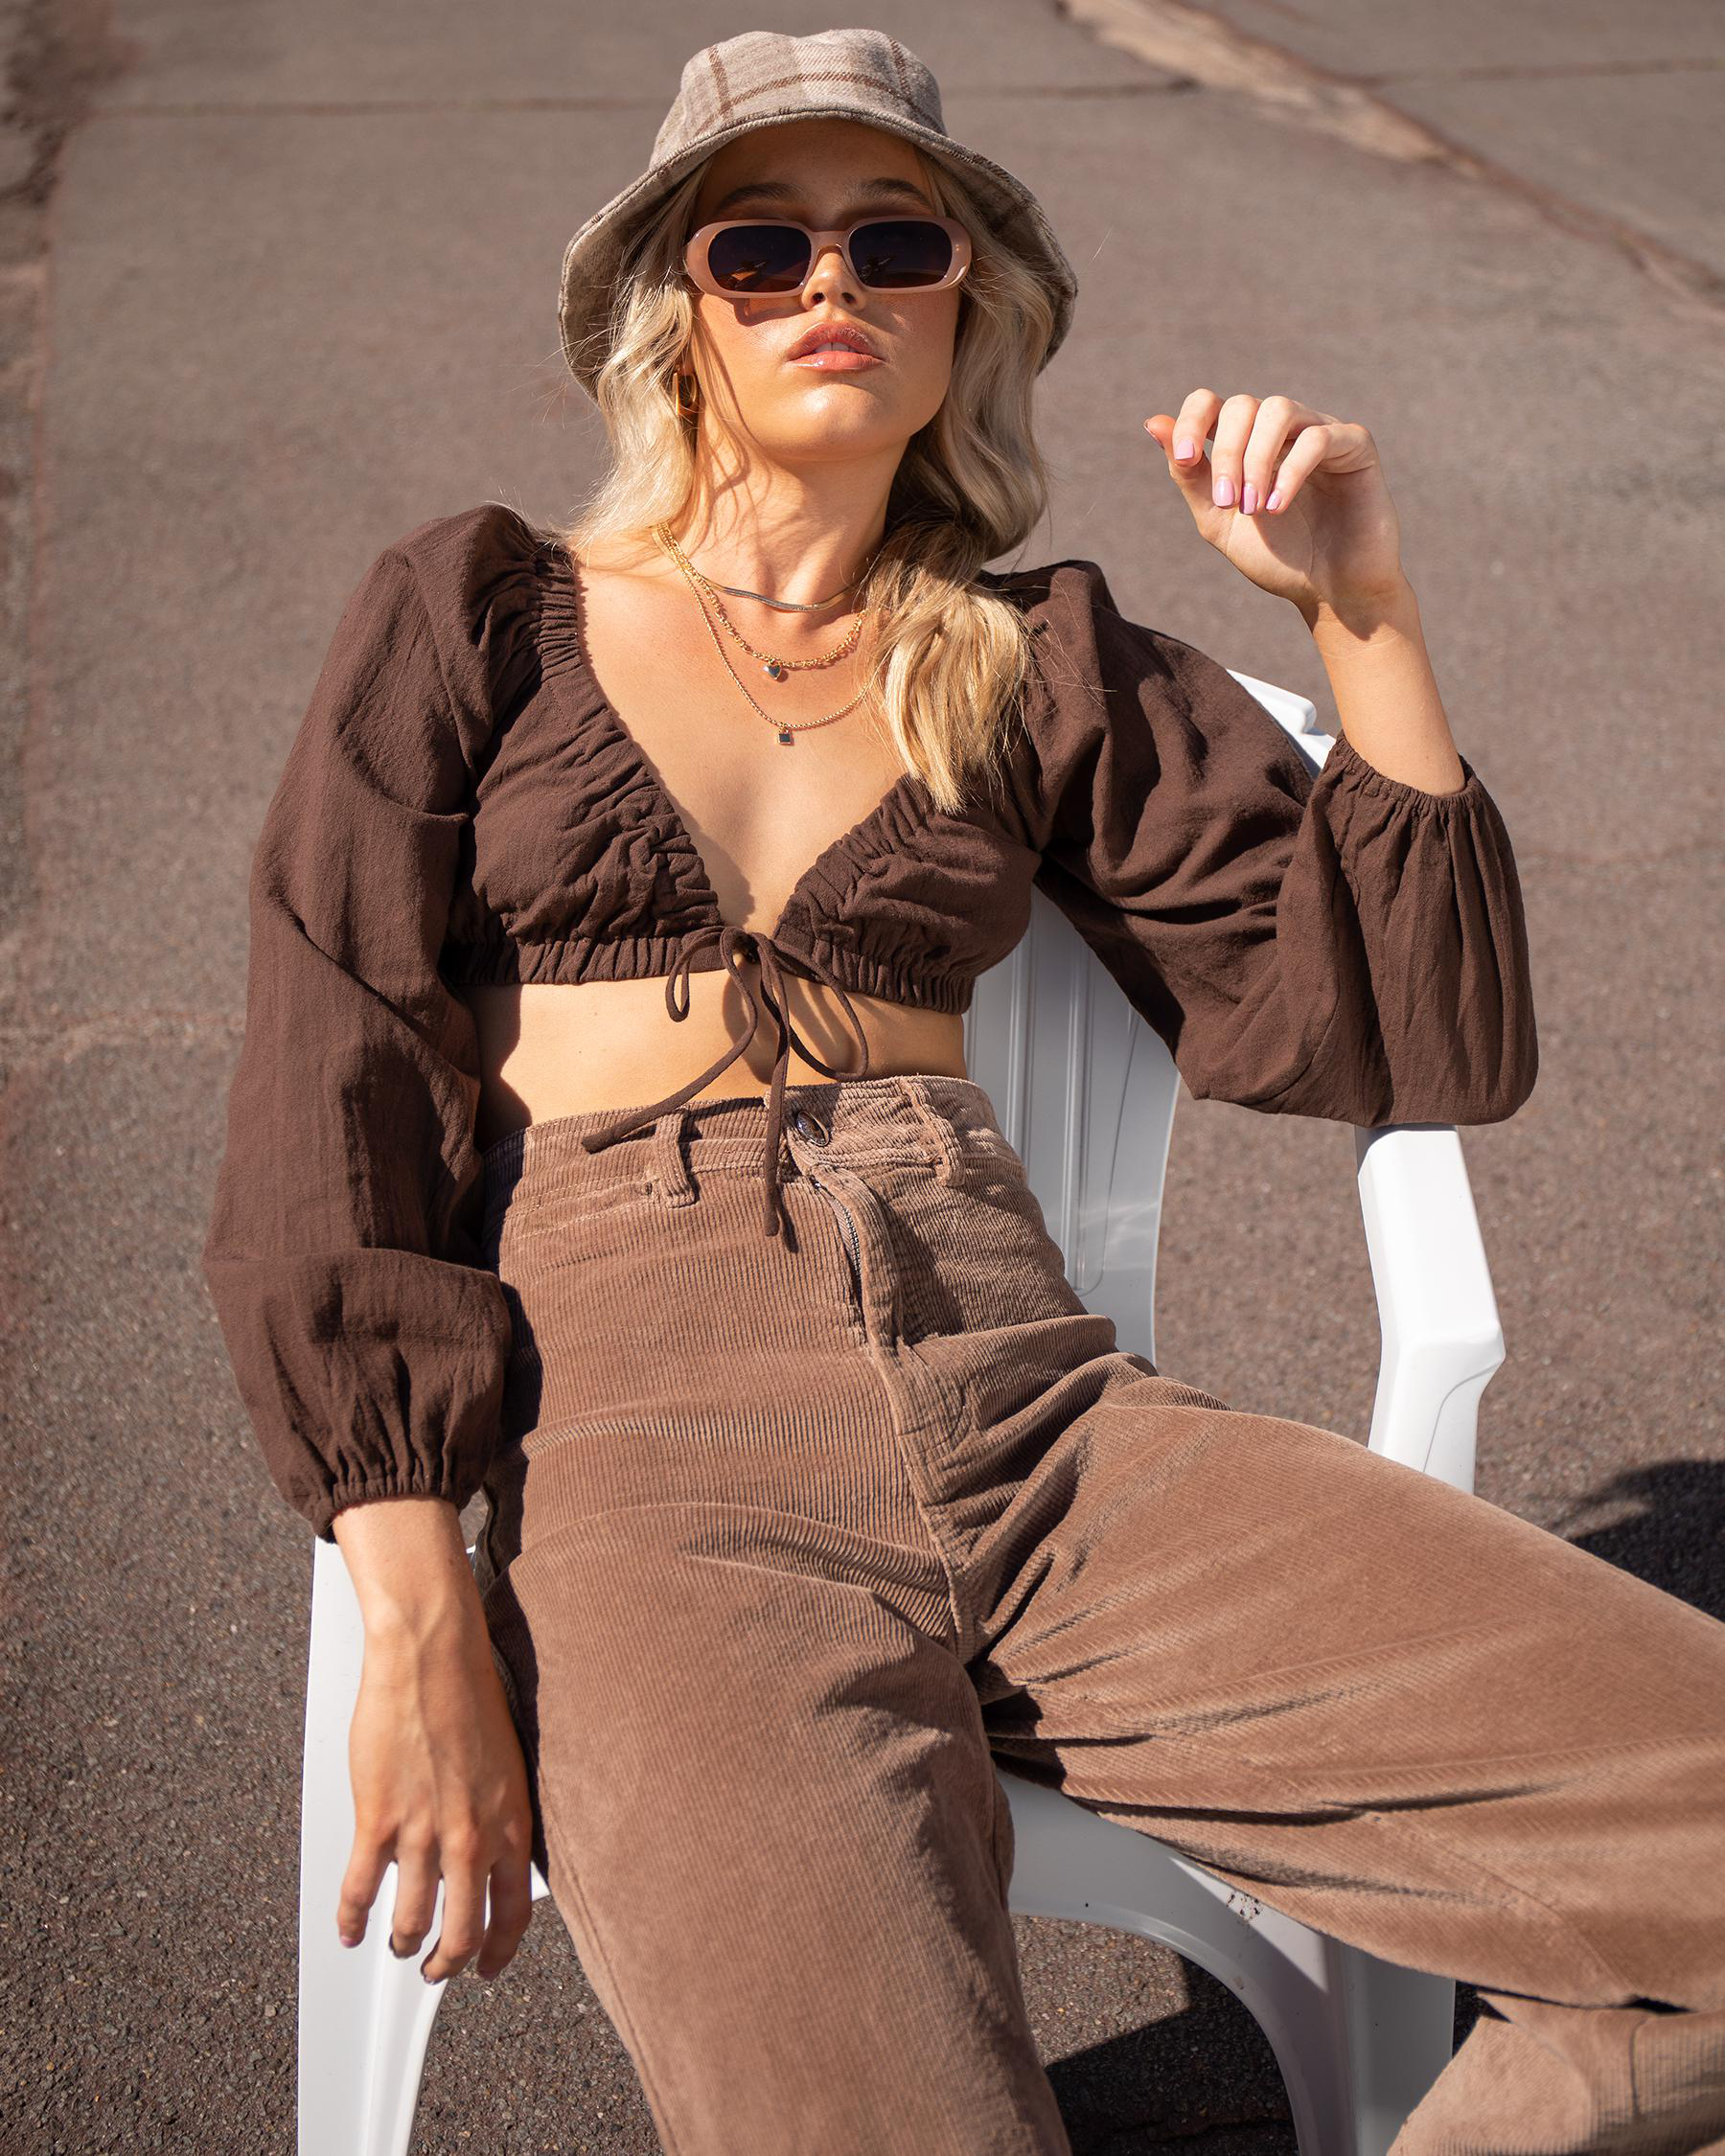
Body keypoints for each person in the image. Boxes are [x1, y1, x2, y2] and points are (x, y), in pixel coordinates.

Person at [199, 27, 1725, 2156]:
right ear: (676, 314)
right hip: (651, 1469)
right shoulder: (475, 614)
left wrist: (1363, 612)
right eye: (760, 245)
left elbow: (1429, 1036)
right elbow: (328, 1099)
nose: (832, 279)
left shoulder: (1035, 659)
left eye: (893, 241)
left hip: (1049, 1424)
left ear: (962, 310)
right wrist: (416, 1612)